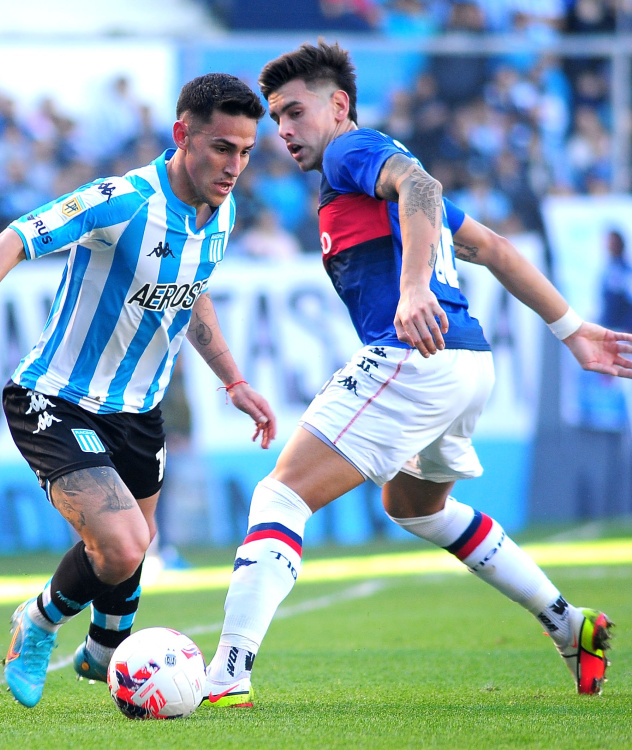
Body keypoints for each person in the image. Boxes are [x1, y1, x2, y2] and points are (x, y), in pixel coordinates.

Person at [204, 40, 631, 706]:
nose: (282, 129)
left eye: (294, 111)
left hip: (415, 357)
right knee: (414, 507)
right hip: (468, 363)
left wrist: (411, 290)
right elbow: (491, 246)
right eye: (276, 117)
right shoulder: (363, 176)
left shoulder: (350, 151)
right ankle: (568, 623)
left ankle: (226, 677)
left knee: (280, 498)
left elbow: (423, 186)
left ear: (338, 105)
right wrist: (571, 329)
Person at [0, 73, 277, 708]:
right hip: (56, 398)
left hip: (140, 410)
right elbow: (16, 237)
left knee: (131, 553)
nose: (234, 166)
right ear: (182, 135)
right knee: (124, 542)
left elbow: (192, 296)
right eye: (222, 147)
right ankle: (37, 622)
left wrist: (234, 380)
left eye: (245, 151)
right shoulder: (123, 200)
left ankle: (104, 653)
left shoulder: (223, 213)